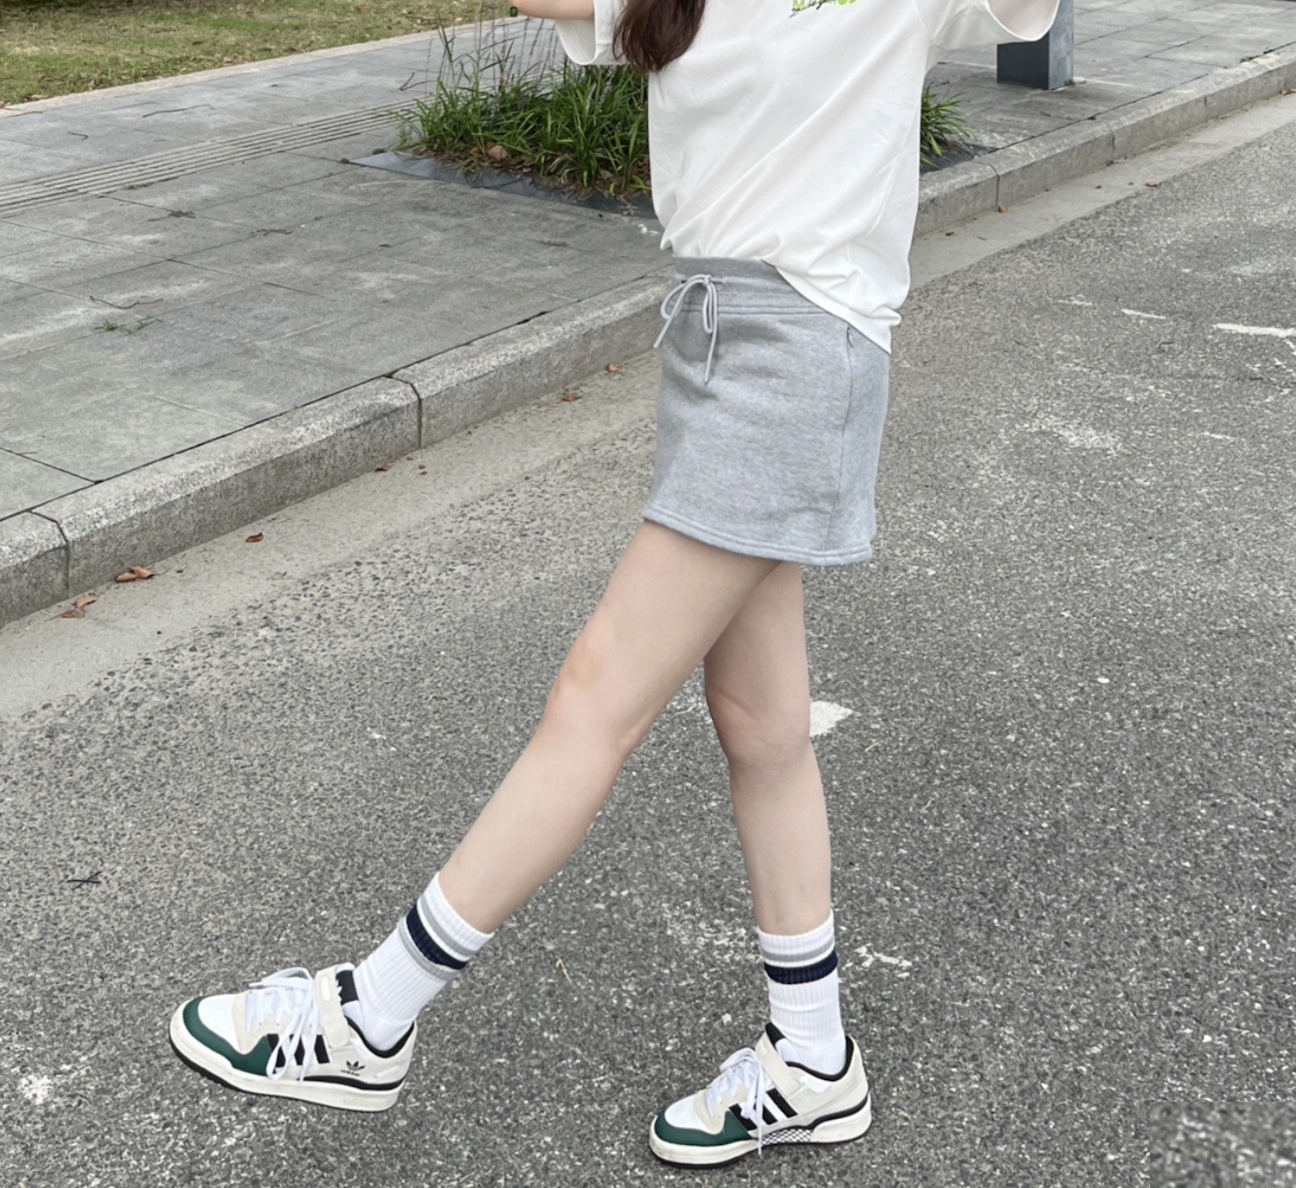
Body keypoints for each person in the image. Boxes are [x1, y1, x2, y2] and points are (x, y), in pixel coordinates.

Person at [169, 0, 1060, 1167]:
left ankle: (368, 1020)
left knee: (597, 698)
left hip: (799, 352)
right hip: (712, 334)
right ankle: (813, 1060)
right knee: (763, 727)